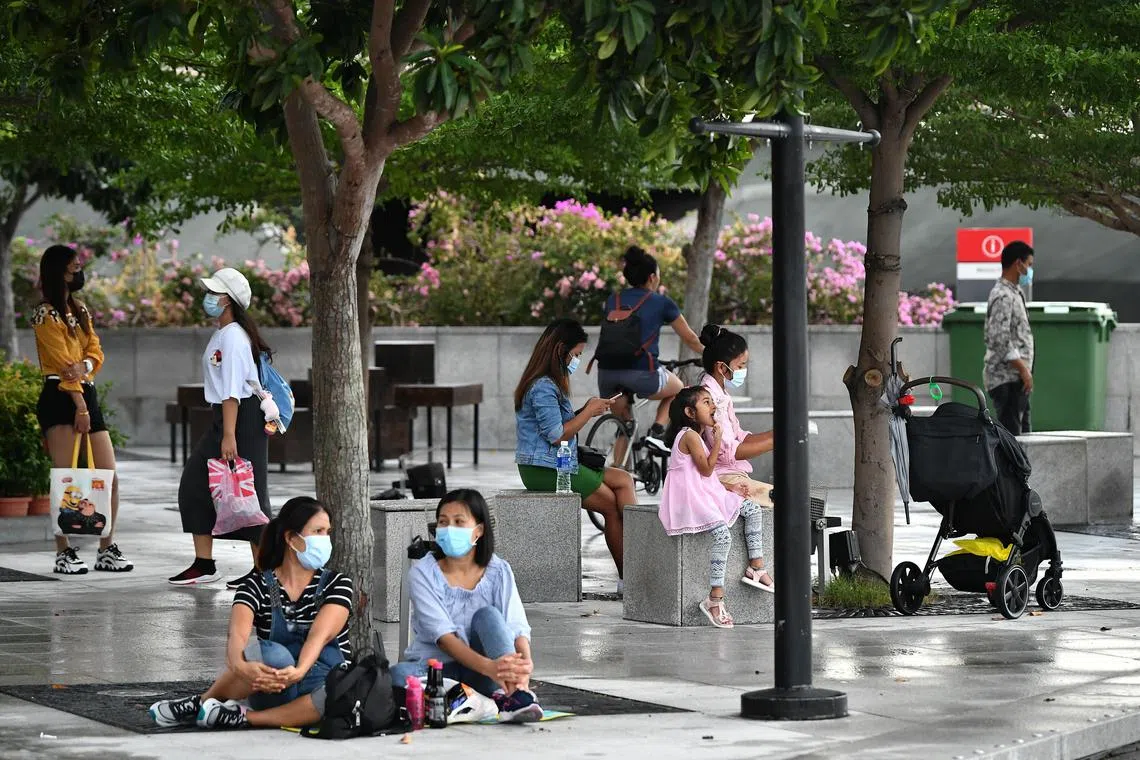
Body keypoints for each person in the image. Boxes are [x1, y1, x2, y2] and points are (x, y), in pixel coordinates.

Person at [149, 496, 354, 730]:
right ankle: (205, 702)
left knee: (342, 692)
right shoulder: (255, 585)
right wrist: (240, 666)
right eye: (318, 531)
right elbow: (237, 634)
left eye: (327, 532)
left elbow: (321, 635)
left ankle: (240, 717)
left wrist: (298, 672)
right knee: (273, 656)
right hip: (275, 684)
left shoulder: (337, 583)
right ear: (291, 538)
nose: (325, 540)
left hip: (321, 681)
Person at [390, 489, 545, 723]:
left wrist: (522, 667)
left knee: (488, 615)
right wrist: (490, 668)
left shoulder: (499, 570)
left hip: (489, 672)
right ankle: (485, 701)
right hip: (440, 672)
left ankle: (515, 694)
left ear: (479, 531)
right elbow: (443, 637)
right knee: (398, 676)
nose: (449, 528)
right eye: (443, 522)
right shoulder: (422, 572)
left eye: (459, 522)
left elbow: (516, 627)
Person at [31, 245, 133, 575]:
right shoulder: (44, 314)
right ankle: (64, 552)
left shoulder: (81, 310)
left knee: (109, 474)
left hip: (85, 393)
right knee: (67, 477)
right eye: (73, 266)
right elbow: (62, 364)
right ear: (58, 270)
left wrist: (87, 364)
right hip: (60, 397)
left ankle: (107, 548)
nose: (78, 269)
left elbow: (93, 351)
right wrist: (79, 404)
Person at [170, 268, 272, 586]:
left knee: (250, 495)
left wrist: (229, 435)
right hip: (226, 418)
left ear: (227, 300)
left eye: (214, 293)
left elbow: (232, 390)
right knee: (194, 486)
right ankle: (204, 564)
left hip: (241, 420)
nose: (208, 298)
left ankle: (264, 570)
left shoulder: (234, 337)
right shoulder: (224, 332)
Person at [515, 318, 635, 583]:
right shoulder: (544, 386)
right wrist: (590, 410)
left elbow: (559, 425)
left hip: (558, 462)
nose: (578, 360)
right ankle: (631, 576)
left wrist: (587, 411)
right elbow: (557, 435)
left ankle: (637, 556)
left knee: (624, 479)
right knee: (612, 508)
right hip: (544, 468)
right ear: (560, 350)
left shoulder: (549, 383)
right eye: (577, 354)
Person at [660, 387, 774, 630]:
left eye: (712, 401)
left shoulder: (696, 436)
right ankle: (715, 599)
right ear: (690, 412)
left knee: (752, 509)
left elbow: (704, 476)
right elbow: (706, 469)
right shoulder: (689, 435)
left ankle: (756, 566)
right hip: (690, 498)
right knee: (723, 536)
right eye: (706, 402)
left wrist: (727, 489)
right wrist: (719, 438)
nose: (713, 406)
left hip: (705, 491)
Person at [595, 245, 704, 444]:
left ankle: (620, 469)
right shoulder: (661, 302)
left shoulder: (613, 300)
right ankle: (657, 430)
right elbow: (689, 338)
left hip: (606, 374)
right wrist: (709, 353)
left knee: (624, 426)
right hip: (643, 373)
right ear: (652, 277)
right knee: (680, 390)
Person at [698, 325, 775, 505]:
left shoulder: (720, 394)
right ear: (721, 368)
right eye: (740, 366)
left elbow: (739, 436)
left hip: (731, 474)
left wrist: (775, 434)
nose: (743, 371)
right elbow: (727, 452)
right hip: (721, 479)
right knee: (787, 503)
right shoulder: (709, 400)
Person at [984, 241, 1035, 435]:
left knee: (1023, 438)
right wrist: (1023, 370)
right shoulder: (1003, 295)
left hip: (1017, 380)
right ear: (1018, 264)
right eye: (1028, 265)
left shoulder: (1015, 293)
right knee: (1011, 442)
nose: (1029, 271)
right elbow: (999, 338)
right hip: (1006, 379)